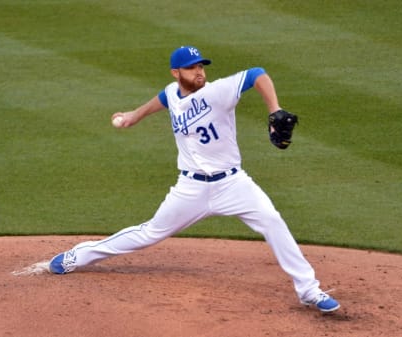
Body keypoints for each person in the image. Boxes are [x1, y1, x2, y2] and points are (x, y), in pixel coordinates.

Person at [49, 45, 340, 312]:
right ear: (177, 73)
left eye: (201, 66)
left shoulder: (218, 92)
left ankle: (309, 291)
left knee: (273, 221)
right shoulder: (173, 92)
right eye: (191, 68)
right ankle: (79, 255)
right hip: (190, 188)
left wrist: (274, 109)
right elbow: (166, 98)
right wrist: (134, 115)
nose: (199, 72)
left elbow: (256, 74)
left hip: (233, 184)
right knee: (150, 233)